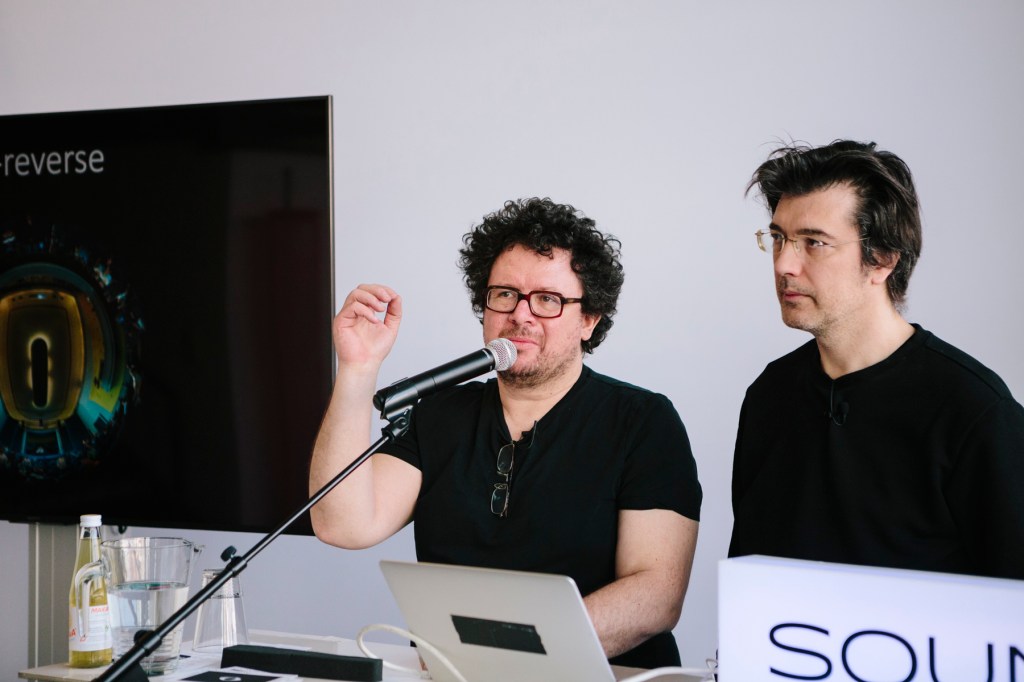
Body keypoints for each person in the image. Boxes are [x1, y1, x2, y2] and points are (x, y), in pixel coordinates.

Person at [309, 197, 702, 668]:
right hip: (458, 675)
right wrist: (357, 368)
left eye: (548, 299)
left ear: (589, 320)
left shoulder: (643, 421)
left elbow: (657, 596)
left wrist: (510, 653)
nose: (521, 315)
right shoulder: (439, 414)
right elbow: (341, 524)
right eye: (505, 294)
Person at [729, 139, 1024, 579]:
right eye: (778, 238)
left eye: (814, 242)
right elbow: (751, 575)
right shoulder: (770, 394)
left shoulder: (973, 410)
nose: (784, 264)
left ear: (883, 259)